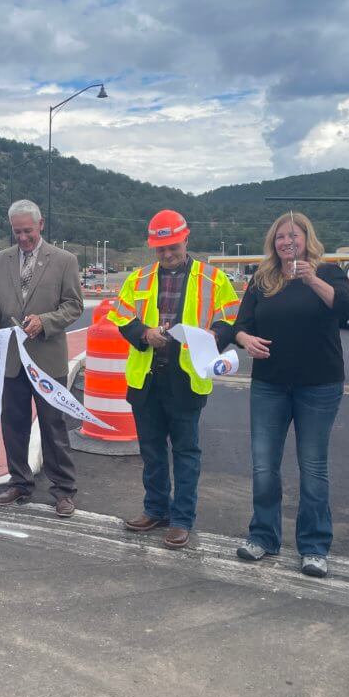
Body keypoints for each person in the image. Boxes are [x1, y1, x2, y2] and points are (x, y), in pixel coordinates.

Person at [107, 210, 239, 549]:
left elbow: (230, 320)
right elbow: (121, 316)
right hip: (147, 379)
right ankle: (155, 509)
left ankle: (182, 519)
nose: (167, 255)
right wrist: (143, 333)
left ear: (186, 239)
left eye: (173, 247)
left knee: (185, 452)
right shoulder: (138, 279)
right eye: (161, 249)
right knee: (151, 451)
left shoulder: (213, 279)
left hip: (185, 380)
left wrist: (213, 335)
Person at [233, 212, 349, 578]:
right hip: (270, 384)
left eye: (294, 236)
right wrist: (245, 340)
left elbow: (347, 310)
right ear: (273, 243)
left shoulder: (329, 272)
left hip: (319, 385)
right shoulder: (262, 279)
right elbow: (240, 326)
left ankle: (315, 546)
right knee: (263, 465)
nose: (287, 242)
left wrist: (312, 279)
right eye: (280, 237)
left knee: (313, 467)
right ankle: (264, 535)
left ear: (307, 239)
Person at [0, 199, 83, 517]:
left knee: (54, 426)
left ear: (40, 226)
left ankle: (63, 490)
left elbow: (73, 305)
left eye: (27, 231)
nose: (22, 238)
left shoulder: (64, 261)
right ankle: (20, 482)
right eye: (17, 232)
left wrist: (45, 321)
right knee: (14, 424)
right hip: (10, 359)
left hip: (47, 360)